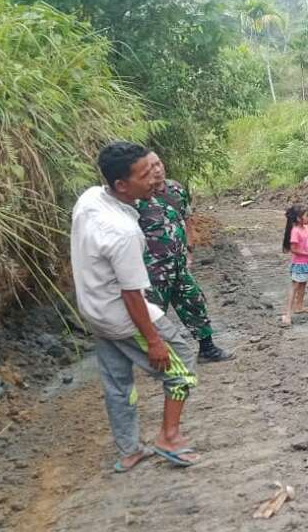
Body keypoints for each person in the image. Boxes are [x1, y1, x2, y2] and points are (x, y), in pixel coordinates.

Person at [70, 141, 198, 472]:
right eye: (145, 175)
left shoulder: (89, 200)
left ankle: (129, 450)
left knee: (117, 384)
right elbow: (131, 295)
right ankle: (169, 437)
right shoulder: (124, 232)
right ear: (121, 186)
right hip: (121, 315)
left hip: (93, 310)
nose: (154, 179)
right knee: (181, 359)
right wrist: (154, 341)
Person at [137, 152, 233, 363]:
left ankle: (207, 349)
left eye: (159, 163)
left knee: (194, 302)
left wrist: (189, 249)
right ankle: (151, 358)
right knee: (152, 314)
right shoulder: (137, 197)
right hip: (152, 270)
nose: (157, 169)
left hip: (179, 265)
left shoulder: (176, 189)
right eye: (151, 166)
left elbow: (186, 219)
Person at [280, 204, 308, 327]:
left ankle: (299, 306)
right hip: (299, 264)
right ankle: (288, 315)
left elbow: (307, 241)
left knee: (303, 284)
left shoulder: (305, 228)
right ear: (298, 219)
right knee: (295, 287)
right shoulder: (295, 231)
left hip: (307, 262)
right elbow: (294, 250)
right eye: (306, 216)